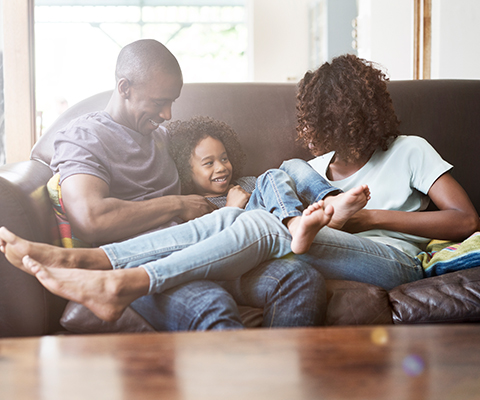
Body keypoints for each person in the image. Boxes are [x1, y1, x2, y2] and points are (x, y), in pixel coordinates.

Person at [2, 53, 477, 325]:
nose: (333, 135)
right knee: (252, 206)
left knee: (263, 218)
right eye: (326, 124)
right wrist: (263, 200)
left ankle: (118, 276)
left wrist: (369, 217)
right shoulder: (312, 167)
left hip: (393, 257)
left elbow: (466, 221)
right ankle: (94, 263)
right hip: (325, 242)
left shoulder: (409, 150)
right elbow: (256, 190)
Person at [13, 38, 330, 330]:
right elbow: (91, 219)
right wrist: (177, 204)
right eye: (158, 102)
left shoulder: (161, 137)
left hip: (203, 252)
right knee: (211, 305)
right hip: (141, 264)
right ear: (124, 87)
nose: (167, 114)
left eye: (172, 102)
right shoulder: (84, 137)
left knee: (301, 278)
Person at [166, 115, 370, 253]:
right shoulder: (197, 205)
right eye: (209, 163)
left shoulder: (246, 182)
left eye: (224, 158)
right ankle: (295, 224)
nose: (221, 167)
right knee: (270, 176)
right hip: (255, 234)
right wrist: (230, 209)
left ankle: (330, 201)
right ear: (186, 170)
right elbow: (212, 247)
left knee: (291, 165)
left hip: (295, 213)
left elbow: (279, 190)